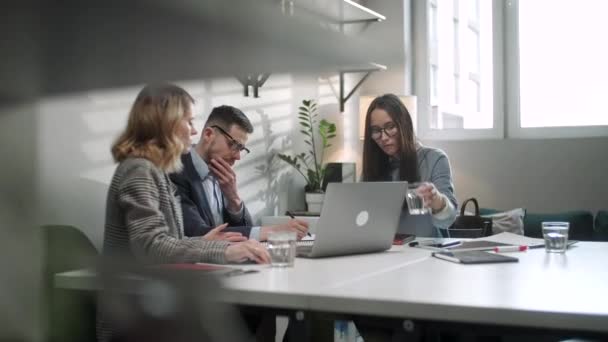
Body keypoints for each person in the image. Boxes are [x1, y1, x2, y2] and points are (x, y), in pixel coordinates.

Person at [98, 84, 270, 342]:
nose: (193, 131)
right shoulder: (139, 171)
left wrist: (204, 242)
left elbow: (167, 242)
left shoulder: (153, 171)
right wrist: (222, 250)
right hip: (137, 322)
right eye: (188, 122)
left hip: (154, 308)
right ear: (165, 124)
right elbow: (151, 247)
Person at [170, 105, 309, 242]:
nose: (237, 156)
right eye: (234, 145)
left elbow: (247, 229)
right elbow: (198, 233)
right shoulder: (176, 171)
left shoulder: (222, 174)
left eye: (241, 149)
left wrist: (234, 200)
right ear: (208, 134)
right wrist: (273, 231)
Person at [361, 93, 458, 237]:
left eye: (390, 126)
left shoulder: (435, 159)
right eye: (376, 131)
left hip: (425, 252)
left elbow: (447, 221)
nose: (384, 137)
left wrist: (437, 201)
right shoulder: (372, 169)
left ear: (404, 124)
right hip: (384, 253)